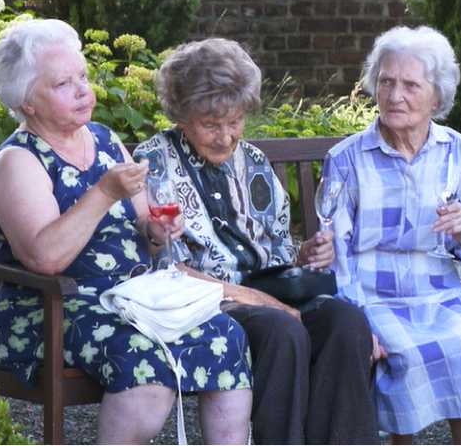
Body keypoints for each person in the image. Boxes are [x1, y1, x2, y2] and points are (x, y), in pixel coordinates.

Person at [0, 19, 253, 446]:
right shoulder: (18, 161)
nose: (82, 90)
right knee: (144, 358)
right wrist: (103, 192)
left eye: (82, 77)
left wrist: (158, 230)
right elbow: (44, 259)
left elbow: (143, 224)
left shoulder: (104, 139)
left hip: (130, 299)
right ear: (26, 101)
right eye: (63, 84)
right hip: (51, 307)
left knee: (226, 336)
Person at [134, 38, 379, 446]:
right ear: (181, 115)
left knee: (345, 322)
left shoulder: (254, 163)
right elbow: (167, 270)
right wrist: (257, 299)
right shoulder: (154, 163)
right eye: (211, 124)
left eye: (235, 122)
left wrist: (303, 256)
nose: (226, 137)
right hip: (204, 302)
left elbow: (277, 249)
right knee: (281, 329)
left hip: (266, 296)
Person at [324, 25, 461, 445]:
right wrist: (356, 321)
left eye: (411, 85)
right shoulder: (346, 159)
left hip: (436, 295)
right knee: (406, 353)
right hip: (371, 296)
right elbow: (337, 255)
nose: (395, 96)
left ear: (437, 97)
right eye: (386, 82)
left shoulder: (460, 153)